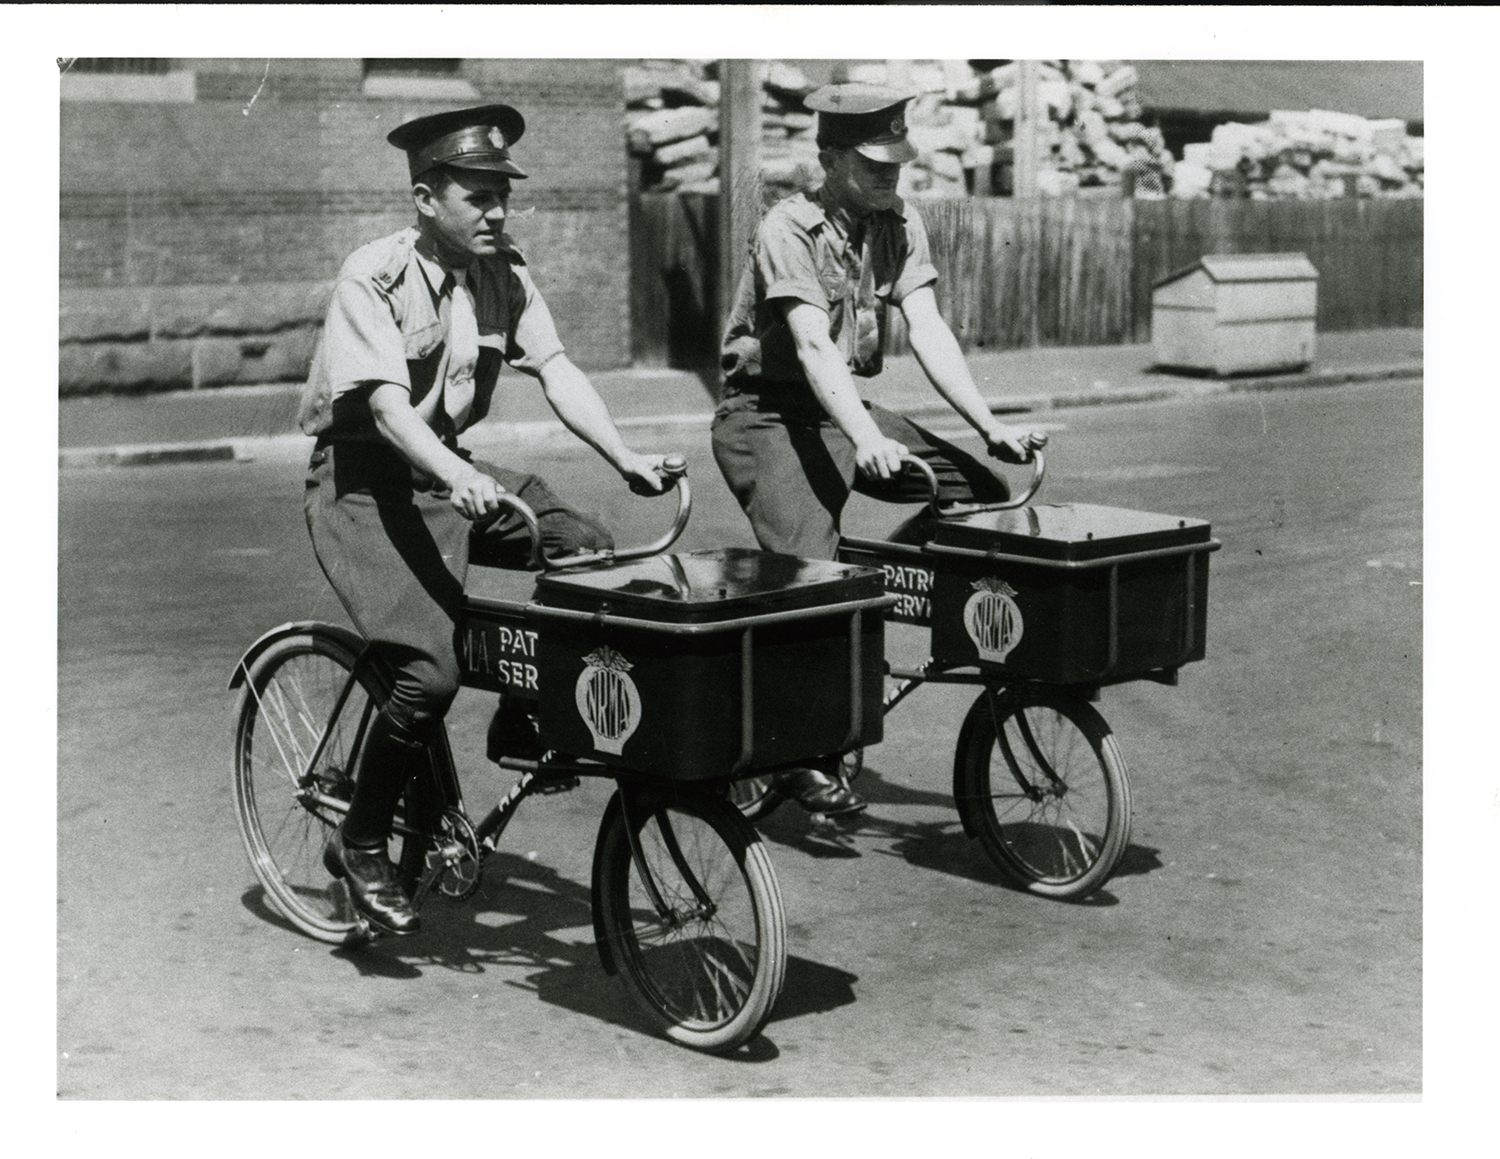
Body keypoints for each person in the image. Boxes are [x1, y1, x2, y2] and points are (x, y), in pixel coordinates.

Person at [299, 105, 669, 935]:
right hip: (365, 484)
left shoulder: (505, 273)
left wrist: (626, 457)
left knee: (585, 543)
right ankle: (359, 843)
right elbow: (389, 410)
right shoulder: (375, 277)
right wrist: (459, 472)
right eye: (479, 195)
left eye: (504, 193)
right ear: (427, 200)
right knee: (426, 676)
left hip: (450, 475)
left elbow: (560, 369)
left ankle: (523, 709)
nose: (498, 210)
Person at [712, 83, 1037, 817]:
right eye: (871, 162)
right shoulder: (786, 229)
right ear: (828, 158)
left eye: (897, 158)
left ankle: (879, 588)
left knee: (979, 491)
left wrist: (991, 426)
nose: (890, 173)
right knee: (811, 580)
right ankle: (793, 747)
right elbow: (811, 347)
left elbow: (927, 328)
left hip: (845, 412)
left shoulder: (897, 223)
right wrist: (865, 438)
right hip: (769, 417)